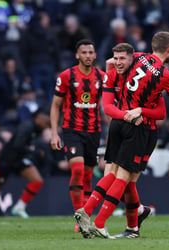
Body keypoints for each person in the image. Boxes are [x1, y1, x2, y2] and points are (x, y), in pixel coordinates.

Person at [75, 31, 169, 239]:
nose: (119, 62)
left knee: (118, 175)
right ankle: (100, 222)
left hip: (118, 121)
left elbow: (112, 63)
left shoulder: (138, 58)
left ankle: (98, 214)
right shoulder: (165, 75)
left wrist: (115, 80)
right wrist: (159, 96)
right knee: (125, 178)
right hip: (139, 127)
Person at [50, 39, 107, 232]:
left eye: (91, 52)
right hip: (72, 129)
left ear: (95, 55)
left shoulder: (102, 76)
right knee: (78, 170)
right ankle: (79, 217)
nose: (88, 56)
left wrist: (112, 132)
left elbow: (107, 106)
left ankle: (85, 217)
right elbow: (55, 105)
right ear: (77, 55)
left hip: (94, 130)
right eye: (84, 53)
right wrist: (54, 133)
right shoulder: (66, 76)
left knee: (89, 176)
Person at [0, 109, 49, 218]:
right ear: (39, 119)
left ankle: (20, 207)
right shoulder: (27, 127)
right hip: (6, 161)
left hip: (19, 160)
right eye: (46, 123)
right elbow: (17, 145)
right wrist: (33, 151)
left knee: (37, 181)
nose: (47, 126)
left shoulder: (37, 129)